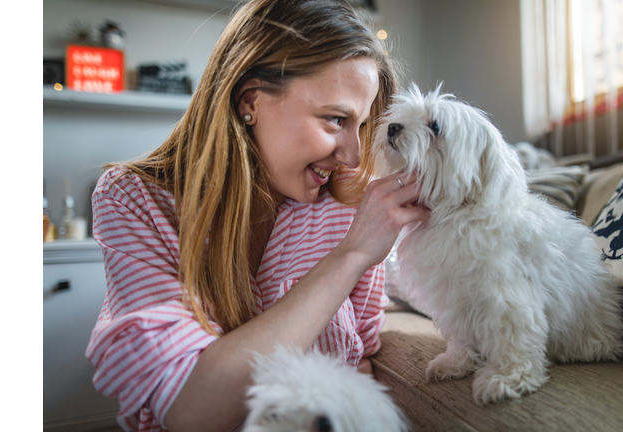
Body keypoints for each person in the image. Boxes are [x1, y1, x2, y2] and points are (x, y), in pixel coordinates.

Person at [84, 0, 429, 431]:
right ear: (252, 101)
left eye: (359, 126)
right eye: (335, 119)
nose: (352, 155)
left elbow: (358, 361)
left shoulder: (343, 206)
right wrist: (351, 255)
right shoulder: (135, 200)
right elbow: (191, 410)